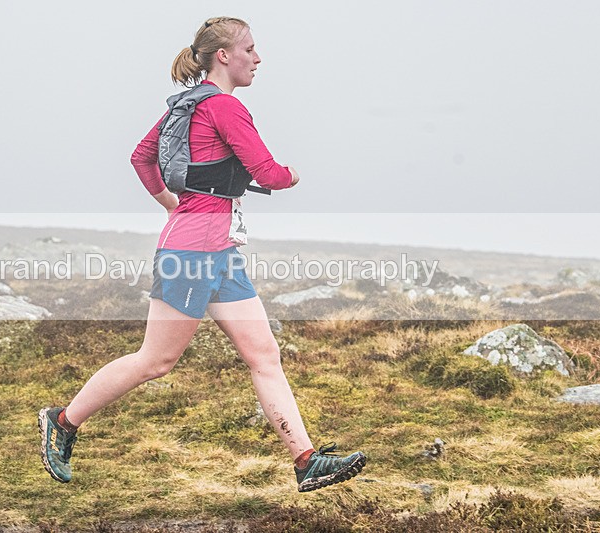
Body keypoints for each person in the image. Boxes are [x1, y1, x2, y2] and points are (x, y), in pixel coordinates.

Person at [39, 16, 366, 493]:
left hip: (220, 250)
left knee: (264, 355)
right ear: (224, 56)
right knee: (156, 361)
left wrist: (172, 204)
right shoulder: (225, 108)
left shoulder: (186, 105)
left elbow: (141, 157)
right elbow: (269, 174)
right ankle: (63, 421)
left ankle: (306, 461)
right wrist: (293, 174)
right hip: (193, 251)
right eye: (250, 50)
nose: (257, 58)